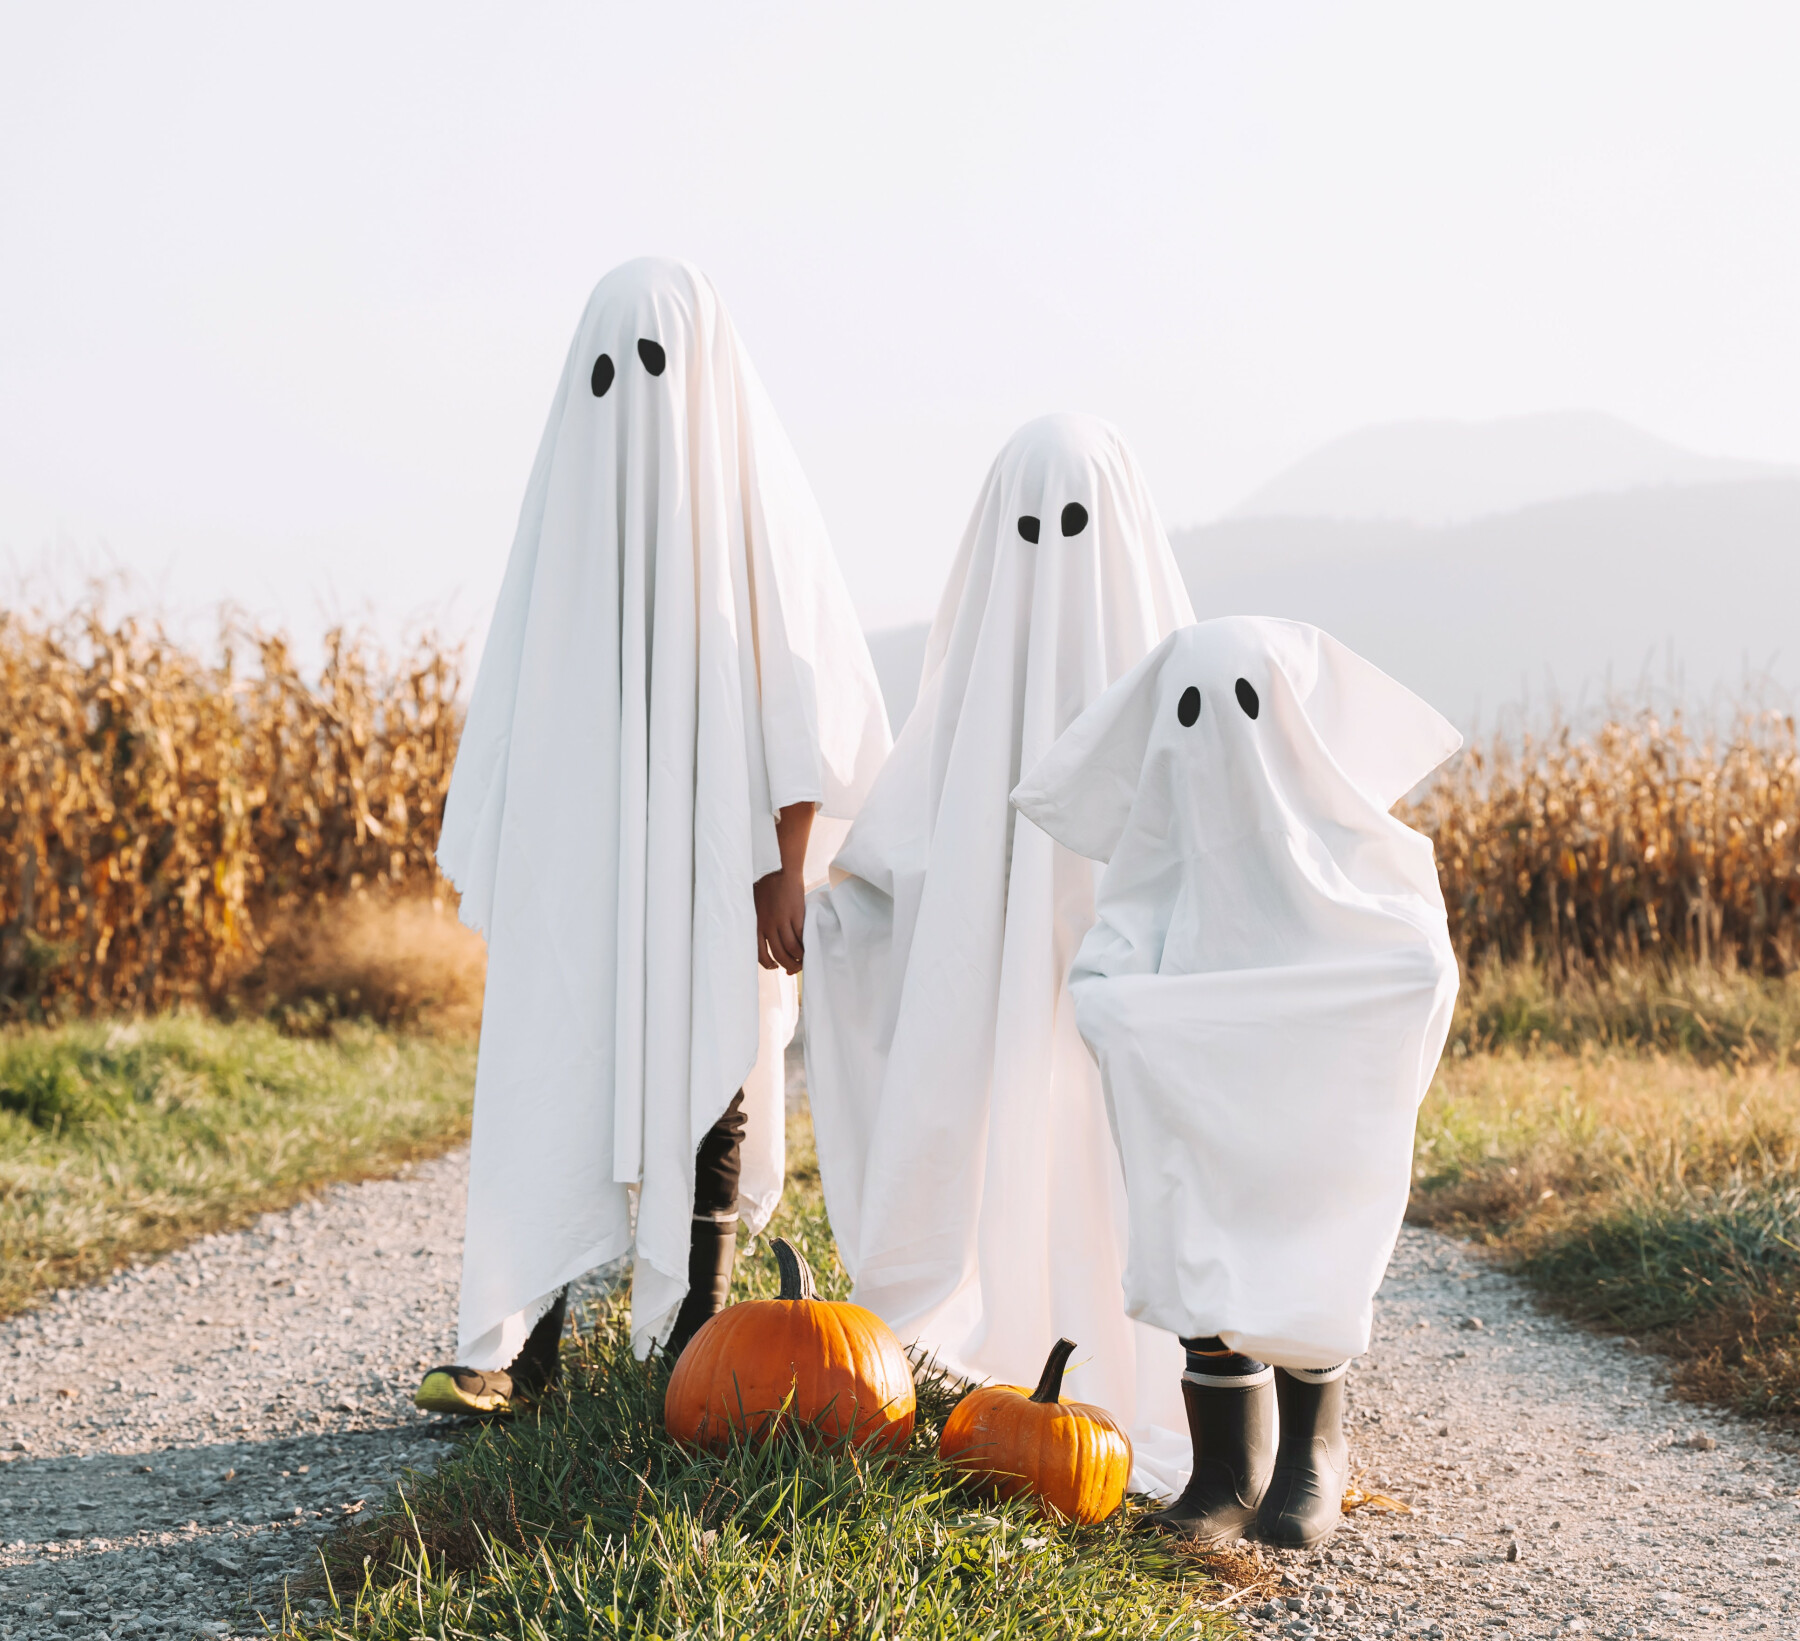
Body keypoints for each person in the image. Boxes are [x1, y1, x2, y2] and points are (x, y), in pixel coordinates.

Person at [414, 258, 890, 1415]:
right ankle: (518, 1346)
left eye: (657, 368)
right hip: (577, 869)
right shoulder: (561, 533)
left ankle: (696, 1334)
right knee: (551, 1067)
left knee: (708, 1059)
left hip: (713, 861)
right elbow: (521, 708)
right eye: (606, 371)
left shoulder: (752, 522)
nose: (630, 398)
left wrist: (788, 862)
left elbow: (800, 695)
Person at [803, 413, 1196, 1496]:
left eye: (1074, 527)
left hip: (1121, 1016)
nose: (1053, 559)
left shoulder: (1179, 708)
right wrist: (837, 929)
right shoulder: (962, 714)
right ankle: (1020, 1356)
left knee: (1109, 1160)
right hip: (999, 1009)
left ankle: (1140, 1369)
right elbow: (893, 871)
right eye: (1031, 529)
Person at [1011, 616, 1462, 1545]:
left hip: (1308, 1111)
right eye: (1188, 711)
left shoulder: (1354, 857)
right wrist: (1136, 1021)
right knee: (1198, 1240)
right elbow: (1107, 967)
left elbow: (1418, 960)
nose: (1217, 732)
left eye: (1247, 706)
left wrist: (1349, 1007)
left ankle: (1312, 1452)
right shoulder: (1157, 859)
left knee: (1309, 1238)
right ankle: (1225, 1464)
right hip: (1196, 1111)